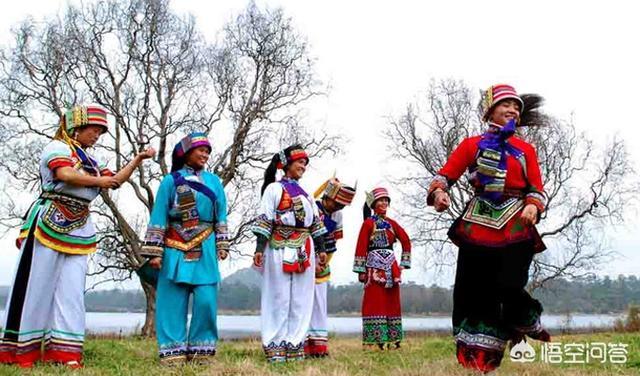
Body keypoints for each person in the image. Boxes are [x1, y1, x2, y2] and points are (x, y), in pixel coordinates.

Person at [0, 104, 155, 368]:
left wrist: (137, 159)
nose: (97, 136)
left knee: (71, 292)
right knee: (37, 286)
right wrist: (99, 182)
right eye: (94, 130)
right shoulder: (57, 148)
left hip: (80, 226)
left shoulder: (90, 161)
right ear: (76, 127)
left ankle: (64, 353)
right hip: (49, 220)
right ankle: (21, 352)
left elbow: (115, 180)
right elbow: (65, 174)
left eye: (100, 132)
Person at [427, 84, 550, 373]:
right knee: (474, 290)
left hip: (516, 222)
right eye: (506, 105)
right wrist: (438, 194)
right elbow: (444, 177)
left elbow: (537, 188)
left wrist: (533, 205)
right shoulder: (471, 145)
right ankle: (480, 356)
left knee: (510, 283)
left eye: (517, 107)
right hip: (478, 223)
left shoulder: (526, 150)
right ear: (490, 110)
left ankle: (522, 321)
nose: (513, 111)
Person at [139, 132, 229, 366]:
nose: (205, 154)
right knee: (172, 301)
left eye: (208, 151)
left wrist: (222, 242)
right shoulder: (170, 181)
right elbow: (159, 215)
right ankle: (172, 352)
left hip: (205, 245)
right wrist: (154, 253)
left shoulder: (214, 182)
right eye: (201, 150)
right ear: (186, 153)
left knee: (206, 300)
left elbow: (221, 214)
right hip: (174, 246)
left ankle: (201, 351)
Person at [252, 144, 327, 362]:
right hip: (278, 247)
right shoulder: (273, 189)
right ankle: (275, 345)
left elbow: (316, 224)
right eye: (299, 162)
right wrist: (259, 248)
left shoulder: (307, 195)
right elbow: (265, 219)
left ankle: (295, 345)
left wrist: (321, 249)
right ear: (286, 165)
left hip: (305, 248)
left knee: (302, 299)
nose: (303, 166)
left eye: (305, 163)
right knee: (278, 296)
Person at [353, 187, 411, 350]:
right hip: (373, 268)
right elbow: (361, 247)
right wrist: (361, 270)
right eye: (381, 200)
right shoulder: (368, 224)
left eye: (386, 200)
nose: (384, 203)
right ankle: (375, 340)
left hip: (391, 269)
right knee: (374, 301)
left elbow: (406, 241)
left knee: (392, 302)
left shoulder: (392, 224)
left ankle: (394, 339)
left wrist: (403, 264)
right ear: (373, 204)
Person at [305, 177, 356, 357]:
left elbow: (333, 243)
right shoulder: (311, 207)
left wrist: (323, 263)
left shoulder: (338, 216)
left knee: (319, 305)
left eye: (341, 205)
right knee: (302, 304)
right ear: (327, 196)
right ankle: (300, 345)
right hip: (304, 261)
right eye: (336, 203)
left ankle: (318, 348)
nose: (338, 207)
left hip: (323, 263)